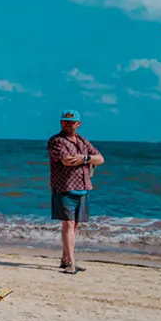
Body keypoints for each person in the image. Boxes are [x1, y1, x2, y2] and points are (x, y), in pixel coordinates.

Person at [47, 109, 104, 274]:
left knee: (75, 226)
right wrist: (84, 158)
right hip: (64, 187)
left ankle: (65, 259)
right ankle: (72, 262)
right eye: (64, 121)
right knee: (68, 224)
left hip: (83, 187)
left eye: (71, 122)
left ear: (78, 124)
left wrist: (84, 158)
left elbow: (100, 159)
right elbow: (67, 161)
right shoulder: (56, 141)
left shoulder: (82, 141)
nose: (67, 124)